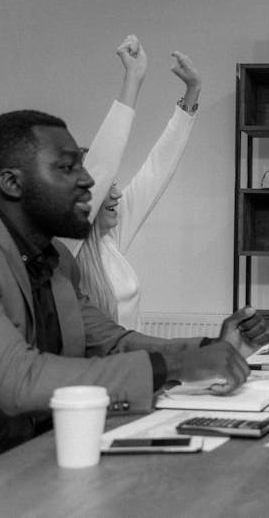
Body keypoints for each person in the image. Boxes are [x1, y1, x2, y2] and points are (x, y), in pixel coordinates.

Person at [0, 110, 269, 490]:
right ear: (11, 182)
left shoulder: (56, 259)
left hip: (46, 458)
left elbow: (112, 343)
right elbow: (18, 380)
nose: (88, 179)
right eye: (67, 167)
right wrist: (177, 363)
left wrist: (211, 348)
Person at [73, 35, 201, 330]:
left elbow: (158, 168)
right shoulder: (69, 248)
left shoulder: (110, 238)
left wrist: (192, 91)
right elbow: (105, 159)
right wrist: (133, 78)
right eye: (106, 187)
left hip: (131, 369)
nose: (116, 193)